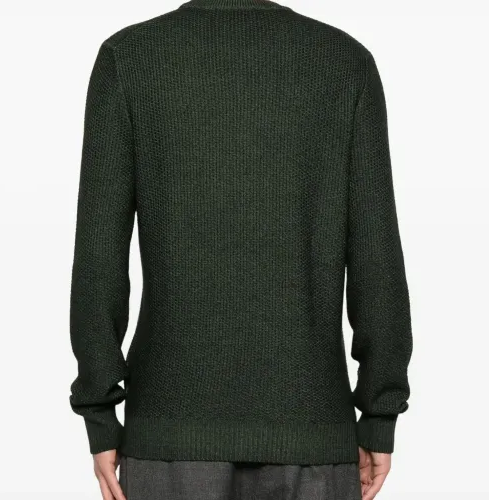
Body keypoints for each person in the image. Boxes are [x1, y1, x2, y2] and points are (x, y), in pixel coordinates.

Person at [68, 0, 413, 499]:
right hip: (311, 432)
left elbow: (98, 255)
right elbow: (376, 254)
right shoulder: (343, 61)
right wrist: (380, 411)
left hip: (171, 433)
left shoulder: (130, 57)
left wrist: (100, 413)